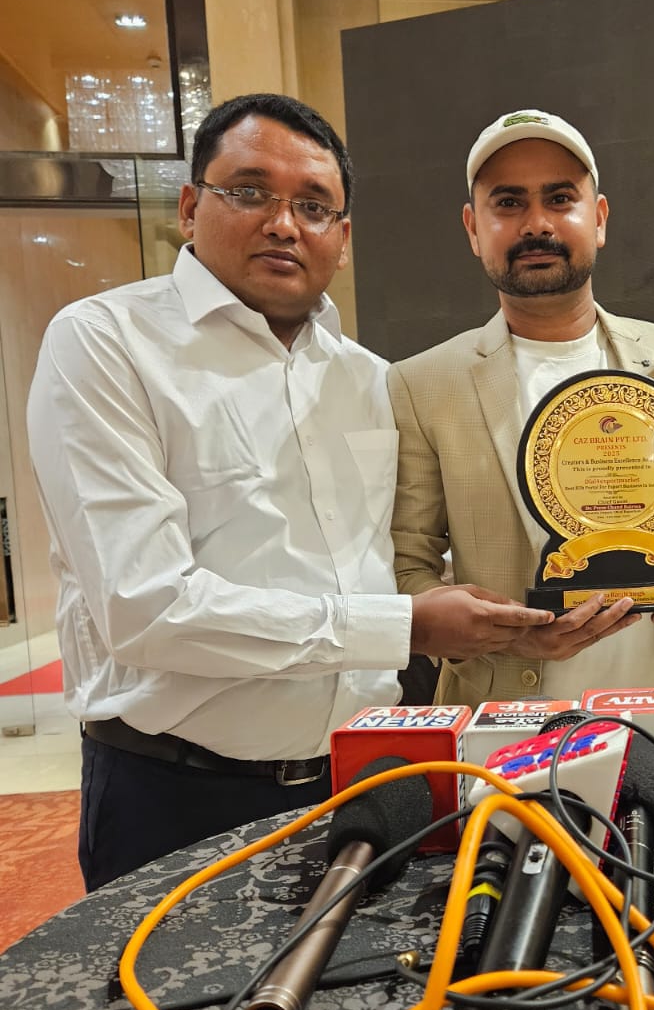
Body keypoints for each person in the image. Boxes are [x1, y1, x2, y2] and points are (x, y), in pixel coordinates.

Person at [28, 92, 551, 891]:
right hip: (176, 795)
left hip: (364, 783)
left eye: (313, 206)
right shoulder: (106, 345)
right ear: (190, 207)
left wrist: (523, 607)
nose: (283, 224)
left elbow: (386, 558)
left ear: (342, 238)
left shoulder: (369, 379)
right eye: (249, 191)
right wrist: (408, 624)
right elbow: (145, 608)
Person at [388, 108, 654, 706]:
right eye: (508, 203)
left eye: (560, 199)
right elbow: (407, 567)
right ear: (473, 228)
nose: (537, 224)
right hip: (504, 724)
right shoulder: (421, 384)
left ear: (598, 218)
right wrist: (501, 635)